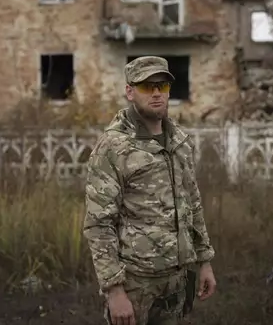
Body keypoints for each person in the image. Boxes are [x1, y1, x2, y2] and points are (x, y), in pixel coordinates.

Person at [83, 56, 217, 325]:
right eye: (147, 86)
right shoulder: (114, 146)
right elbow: (99, 224)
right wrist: (114, 291)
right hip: (136, 284)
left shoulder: (179, 140)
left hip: (177, 280)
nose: (156, 93)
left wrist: (204, 260)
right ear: (130, 92)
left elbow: (192, 202)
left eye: (162, 86)